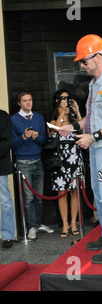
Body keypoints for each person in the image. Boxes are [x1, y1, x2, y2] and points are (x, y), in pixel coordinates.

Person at [60, 34, 102, 264]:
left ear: (98, 56)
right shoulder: (94, 85)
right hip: (97, 147)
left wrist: (94, 137)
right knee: (99, 193)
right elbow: (91, 121)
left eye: (84, 60)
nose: (82, 65)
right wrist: (72, 127)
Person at [11, 90, 54, 240]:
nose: (28, 103)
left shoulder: (39, 118)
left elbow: (44, 141)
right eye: (25, 101)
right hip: (23, 163)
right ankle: (31, 227)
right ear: (19, 103)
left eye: (30, 100)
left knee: (39, 197)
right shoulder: (14, 120)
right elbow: (12, 144)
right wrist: (23, 136)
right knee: (28, 198)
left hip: (38, 161)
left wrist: (36, 137)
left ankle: (38, 224)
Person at [49, 90, 84, 238]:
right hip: (60, 159)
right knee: (61, 193)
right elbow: (54, 131)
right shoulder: (53, 120)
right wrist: (62, 112)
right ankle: (64, 223)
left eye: (67, 100)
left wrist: (77, 111)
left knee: (75, 191)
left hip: (75, 157)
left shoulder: (74, 120)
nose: (65, 102)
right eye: (62, 100)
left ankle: (73, 222)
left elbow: (84, 129)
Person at [0, 109, 15, 249]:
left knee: (5, 202)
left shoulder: (2, 116)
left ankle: (8, 236)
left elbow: (7, 142)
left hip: (0, 166)